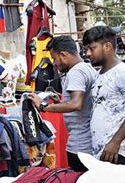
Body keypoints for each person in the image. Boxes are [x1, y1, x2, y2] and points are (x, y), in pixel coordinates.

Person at [29, 36, 97, 172]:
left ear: (63, 55)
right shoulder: (87, 68)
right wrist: (60, 103)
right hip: (88, 142)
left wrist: (43, 106)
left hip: (80, 145)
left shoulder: (76, 72)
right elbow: (81, 104)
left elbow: (76, 104)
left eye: (55, 58)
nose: (54, 63)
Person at [83, 26, 125, 167]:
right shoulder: (99, 74)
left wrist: (115, 141)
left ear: (107, 46)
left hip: (118, 151)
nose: (87, 53)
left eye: (92, 48)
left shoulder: (124, 73)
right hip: (103, 150)